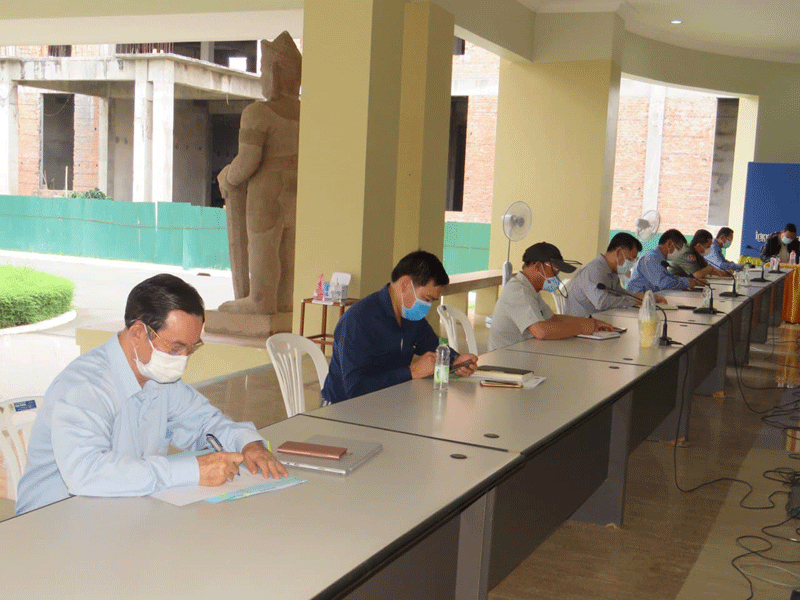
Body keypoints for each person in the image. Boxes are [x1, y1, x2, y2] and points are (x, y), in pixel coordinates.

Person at [16, 274, 287, 515]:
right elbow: (86, 473)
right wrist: (192, 470)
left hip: (120, 512)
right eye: (176, 348)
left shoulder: (159, 379)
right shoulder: (86, 386)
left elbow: (206, 423)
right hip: (51, 522)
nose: (183, 359)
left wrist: (248, 444)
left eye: (191, 348)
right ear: (138, 332)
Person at [321, 250, 479, 405]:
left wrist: (455, 359)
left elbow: (433, 344)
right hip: (344, 408)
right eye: (426, 299)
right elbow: (356, 388)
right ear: (405, 285)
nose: (428, 306)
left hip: (390, 401)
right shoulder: (358, 321)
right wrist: (412, 371)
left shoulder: (411, 316)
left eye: (432, 301)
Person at [217, 31, 302, 315]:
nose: (263, 76)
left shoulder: (258, 113)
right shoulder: (306, 113)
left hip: (267, 193)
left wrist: (228, 177)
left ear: (275, 72)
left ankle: (260, 299)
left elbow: (248, 161)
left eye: (264, 70)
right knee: (288, 252)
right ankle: (283, 301)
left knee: (264, 246)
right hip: (296, 191)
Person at [487, 242, 615, 351]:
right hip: (505, 360)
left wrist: (590, 323)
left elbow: (552, 318)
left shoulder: (530, 289)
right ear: (538, 266)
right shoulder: (518, 290)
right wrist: (582, 327)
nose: (556, 276)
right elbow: (541, 332)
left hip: (523, 352)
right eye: (555, 270)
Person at [563, 233, 665, 318]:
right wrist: (635, 300)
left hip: (598, 321)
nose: (631, 264)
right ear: (619, 252)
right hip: (579, 327)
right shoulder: (594, 270)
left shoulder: (611, 272)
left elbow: (619, 293)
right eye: (630, 259)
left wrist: (642, 297)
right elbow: (601, 302)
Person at [627, 229, 704, 293]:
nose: (679, 253)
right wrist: (687, 283)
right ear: (669, 244)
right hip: (637, 299)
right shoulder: (651, 258)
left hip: (650, 296)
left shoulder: (659, 258)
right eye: (678, 249)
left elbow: (668, 277)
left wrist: (689, 280)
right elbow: (663, 283)